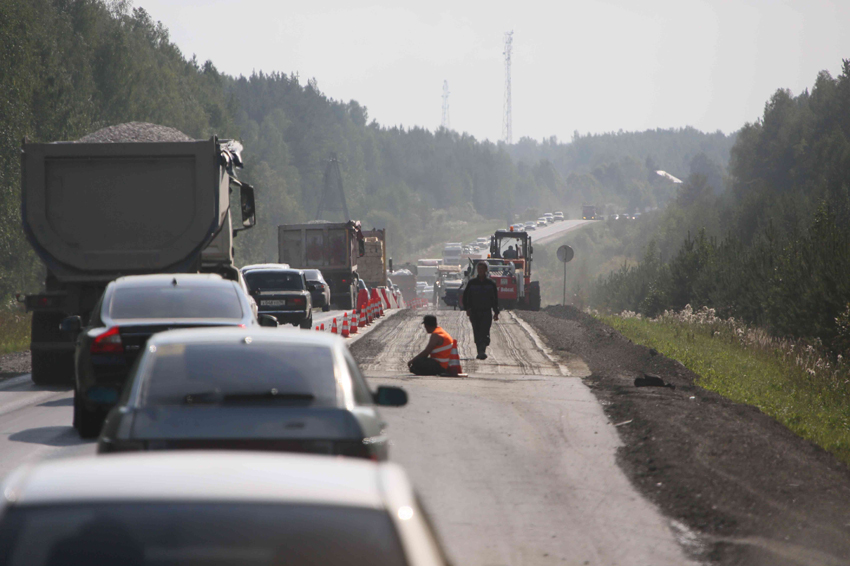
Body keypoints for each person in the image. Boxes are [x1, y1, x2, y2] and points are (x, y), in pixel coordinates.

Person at [462, 262, 500, 360]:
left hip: (486, 311)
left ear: (486, 270)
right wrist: (467, 308)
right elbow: (466, 296)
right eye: (479, 269)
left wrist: (496, 312)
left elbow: (495, 299)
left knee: (485, 331)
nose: (480, 271)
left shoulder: (491, 284)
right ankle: (480, 351)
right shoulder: (472, 283)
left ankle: (482, 350)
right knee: (477, 331)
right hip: (474, 312)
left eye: (482, 269)